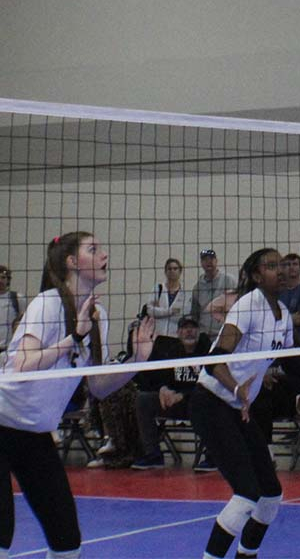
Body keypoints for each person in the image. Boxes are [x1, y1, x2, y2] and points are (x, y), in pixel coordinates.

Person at [190, 248, 300, 559]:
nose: (280, 270)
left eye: (281, 264)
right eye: (271, 266)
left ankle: (247, 555)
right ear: (257, 276)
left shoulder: (282, 314)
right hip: (211, 402)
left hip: (237, 408)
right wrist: (237, 388)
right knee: (246, 494)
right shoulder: (248, 306)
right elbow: (213, 361)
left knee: (270, 495)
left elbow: (295, 365)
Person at [1, 232, 154, 559]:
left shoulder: (99, 317)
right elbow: (21, 367)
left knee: (67, 542)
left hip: (34, 433)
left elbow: (98, 387)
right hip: (1, 422)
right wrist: (73, 337)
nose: (104, 254)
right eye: (93, 249)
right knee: (2, 533)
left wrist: (137, 360)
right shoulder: (48, 303)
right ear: (72, 262)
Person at [131, 314, 210, 469]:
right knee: (143, 399)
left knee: (208, 400)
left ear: (199, 331)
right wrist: (163, 389)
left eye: (193, 328)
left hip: (198, 403)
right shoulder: (172, 351)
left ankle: (212, 456)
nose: (189, 331)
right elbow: (159, 377)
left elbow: (209, 383)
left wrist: (183, 395)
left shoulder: (206, 351)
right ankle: (153, 454)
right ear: (178, 332)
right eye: (185, 328)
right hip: (175, 403)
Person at [190, 249, 237, 337]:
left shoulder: (229, 280)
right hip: (204, 333)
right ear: (201, 263)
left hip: (224, 332)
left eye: (211, 259)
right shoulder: (197, 287)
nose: (209, 262)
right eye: (205, 259)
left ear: (216, 261)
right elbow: (195, 314)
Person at [146, 258, 188, 339]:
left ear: (180, 271)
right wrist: (170, 311)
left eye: (175, 268)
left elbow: (182, 315)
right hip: (157, 336)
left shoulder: (185, 294)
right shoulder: (158, 289)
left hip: (175, 337)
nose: (172, 271)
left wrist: (159, 311)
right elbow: (150, 311)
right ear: (165, 271)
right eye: (169, 269)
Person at [0, 265, 26, 356]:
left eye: (3, 277)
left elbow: (23, 322)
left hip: (9, 350)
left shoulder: (17, 298)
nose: (0, 280)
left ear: (8, 280)